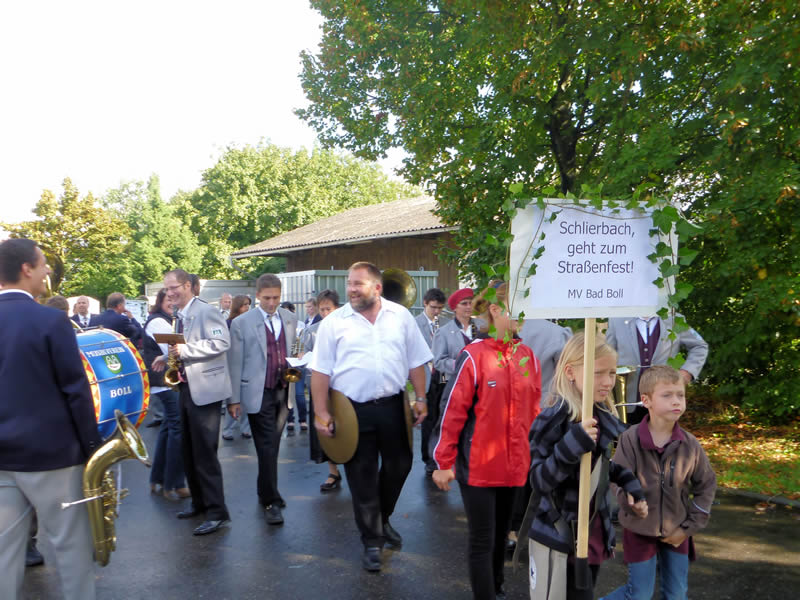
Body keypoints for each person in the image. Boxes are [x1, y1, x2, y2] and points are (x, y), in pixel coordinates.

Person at [310, 261, 432, 572]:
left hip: (393, 406)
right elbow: (320, 371)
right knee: (361, 477)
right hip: (351, 410)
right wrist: (321, 412)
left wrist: (420, 398)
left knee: (400, 465)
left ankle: (381, 518)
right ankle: (372, 542)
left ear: (377, 288)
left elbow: (416, 361)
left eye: (358, 284)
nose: (351, 289)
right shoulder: (334, 323)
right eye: (349, 283)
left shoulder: (400, 316)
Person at [0, 238, 101, 600]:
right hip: (53, 457)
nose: (46, 270)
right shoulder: (51, 320)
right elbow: (76, 389)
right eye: (42, 263)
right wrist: (92, 448)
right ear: (26, 269)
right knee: (72, 550)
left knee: (4, 553)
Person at [431, 282, 542, 600]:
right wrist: (444, 462)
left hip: (515, 466)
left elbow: (534, 412)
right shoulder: (473, 356)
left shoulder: (528, 357)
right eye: (517, 309)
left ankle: (497, 588)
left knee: (501, 536)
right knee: (483, 538)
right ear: (495, 309)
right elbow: (452, 411)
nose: (522, 316)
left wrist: (537, 455)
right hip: (478, 467)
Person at [528, 331, 647, 600]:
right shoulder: (552, 419)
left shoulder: (599, 415)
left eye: (612, 373)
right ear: (570, 372)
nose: (608, 381)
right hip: (562, 540)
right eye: (598, 373)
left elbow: (601, 468)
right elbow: (538, 480)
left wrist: (631, 485)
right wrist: (572, 444)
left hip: (591, 536)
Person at [600, 365, 716, 600]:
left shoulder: (690, 445)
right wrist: (630, 501)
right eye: (667, 395)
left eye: (680, 395)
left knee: (676, 594)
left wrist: (688, 528)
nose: (676, 401)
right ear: (646, 401)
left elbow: (707, 485)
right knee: (639, 595)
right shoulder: (630, 439)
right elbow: (617, 478)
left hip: (678, 530)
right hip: (640, 530)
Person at [151, 268, 232, 536]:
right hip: (186, 388)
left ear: (187, 285)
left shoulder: (206, 310)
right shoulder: (179, 314)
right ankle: (199, 503)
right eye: (166, 289)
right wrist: (167, 357)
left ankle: (217, 513)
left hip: (205, 390)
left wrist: (186, 351)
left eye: (173, 288)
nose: (169, 293)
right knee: (189, 450)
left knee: (205, 454)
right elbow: (181, 346)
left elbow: (222, 342)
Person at [227, 274, 298, 525]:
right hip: (257, 393)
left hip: (283, 390)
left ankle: (265, 491)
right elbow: (234, 362)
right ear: (257, 296)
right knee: (266, 446)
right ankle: (271, 501)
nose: (272, 303)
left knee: (272, 445)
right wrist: (233, 400)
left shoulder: (290, 318)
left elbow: (293, 350)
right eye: (267, 298)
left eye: (276, 298)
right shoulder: (241, 323)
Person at [506, 318, 573, 551]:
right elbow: (565, 377)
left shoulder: (501, 328)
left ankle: (511, 527)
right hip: (544, 409)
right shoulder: (556, 333)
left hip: (507, 407)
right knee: (537, 469)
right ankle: (531, 525)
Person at [606, 315, 708, 424]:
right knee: (628, 434)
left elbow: (699, 346)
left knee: (663, 434)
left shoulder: (674, 319)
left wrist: (687, 372)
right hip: (627, 399)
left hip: (665, 398)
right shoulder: (617, 320)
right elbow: (607, 354)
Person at [142, 288, 190, 502]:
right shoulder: (159, 322)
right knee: (178, 429)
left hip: (165, 383)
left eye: (174, 299)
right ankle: (174, 484)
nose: (172, 302)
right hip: (165, 383)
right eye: (167, 299)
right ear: (160, 302)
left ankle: (158, 479)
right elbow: (176, 351)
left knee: (169, 428)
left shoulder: (167, 320)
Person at [302, 288, 343, 491]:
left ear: (337, 308)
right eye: (322, 309)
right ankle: (333, 471)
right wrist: (303, 358)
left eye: (329, 309)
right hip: (321, 386)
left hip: (342, 387)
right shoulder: (312, 330)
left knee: (346, 427)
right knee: (325, 429)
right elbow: (302, 352)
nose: (325, 313)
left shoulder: (347, 328)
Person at [414, 287, 447, 475]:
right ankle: (428, 459)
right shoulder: (414, 324)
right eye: (433, 307)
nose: (436, 312)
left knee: (444, 418)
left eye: (440, 308)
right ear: (425, 304)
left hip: (443, 376)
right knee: (428, 421)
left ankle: (442, 455)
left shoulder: (445, 323)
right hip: (426, 376)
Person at [432, 287, 477, 402]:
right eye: (464, 303)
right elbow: (438, 362)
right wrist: (460, 365)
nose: (468, 306)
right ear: (454, 308)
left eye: (470, 303)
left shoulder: (482, 327)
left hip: (480, 385)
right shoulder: (443, 332)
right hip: (455, 385)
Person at [222, 294, 254, 441]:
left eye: (248, 304)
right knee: (233, 398)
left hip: (248, 363)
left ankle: (246, 428)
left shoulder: (251, 323)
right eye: (244, 304)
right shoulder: (228, 323)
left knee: (247, 398)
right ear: (237, 306)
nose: (247, 307)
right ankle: (228, 429)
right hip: (233, 364)